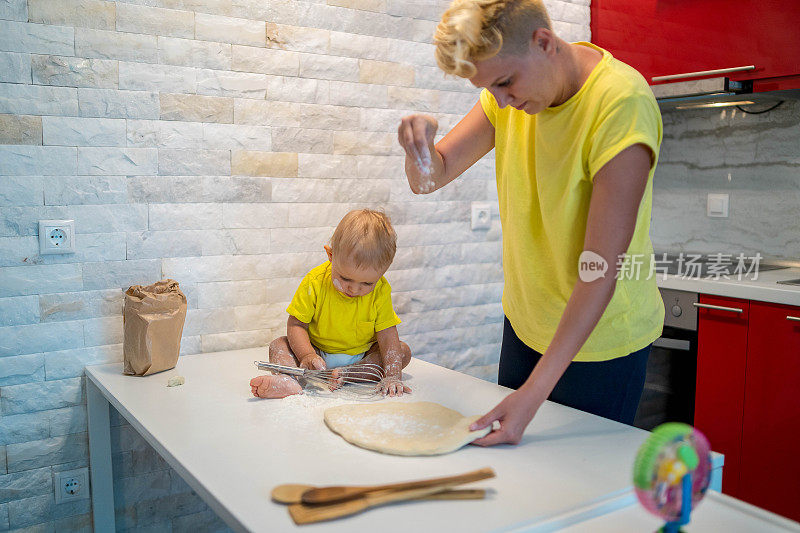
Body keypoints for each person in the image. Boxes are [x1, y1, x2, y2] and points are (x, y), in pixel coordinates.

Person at [397, 0, 664, 445]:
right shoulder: (506, 99)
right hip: (526, 325)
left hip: (602, 342)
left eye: (504, 83)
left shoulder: (621, 104)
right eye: (489, 88)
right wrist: (418, 150)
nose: (501, 102)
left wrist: (530, 395)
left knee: (578, 494)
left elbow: (599, 272)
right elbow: (431, 178)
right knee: (517, 481)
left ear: (544, 42)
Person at [249, 209, 412, 398]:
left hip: (362, 358)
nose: (354, 289)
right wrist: (306, 355)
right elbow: (296, 324)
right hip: (317, 354)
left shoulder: (381, 289)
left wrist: (393, 375)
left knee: (402, 351)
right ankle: (289, 380)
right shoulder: (315, 281)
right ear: (331, 255)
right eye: (345, 278)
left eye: (367, 283)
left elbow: (387, 333)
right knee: (279, 345)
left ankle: (348, 375)